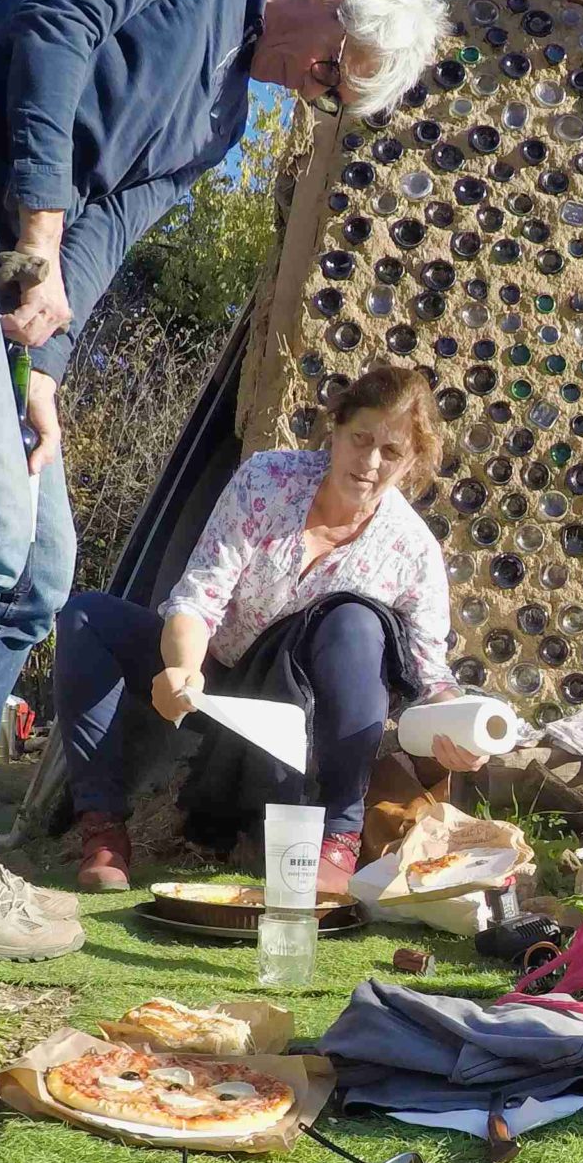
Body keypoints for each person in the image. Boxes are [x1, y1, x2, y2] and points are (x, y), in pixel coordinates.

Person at [0, 0, 450, 957]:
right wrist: (34, 223)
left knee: (40, 562)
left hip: (11, 280)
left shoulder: (218, 124)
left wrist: (45, 376)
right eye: (330, 74)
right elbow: (59, 21)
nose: (314, 95)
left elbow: (103, 237)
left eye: (334, 101)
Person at [54, 366, 484, 896]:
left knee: (356, 620)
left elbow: (428, 669)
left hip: (297, 713)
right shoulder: (268, 480)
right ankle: (103, 831)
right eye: (361, 439)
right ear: (336, 430)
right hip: (216, 680)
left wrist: (458, 725)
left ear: (412, 463)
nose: (370, 463)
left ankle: (338, 836)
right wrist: (182, 670)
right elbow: (200, 593)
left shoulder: (412, 550)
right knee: (86, 616)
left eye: (391, 453)